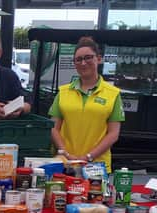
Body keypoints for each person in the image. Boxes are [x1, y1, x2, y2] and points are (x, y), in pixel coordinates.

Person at [48, 36, 125, 172]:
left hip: (96, 166)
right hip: (66, 163)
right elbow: (54, 128)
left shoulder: (113, 94)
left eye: (88, 57)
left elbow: (113, 134)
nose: (83, 63)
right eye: (78, 59)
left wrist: (88, 157)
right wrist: (64, 153)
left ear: (99, 59)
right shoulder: (63, 92)